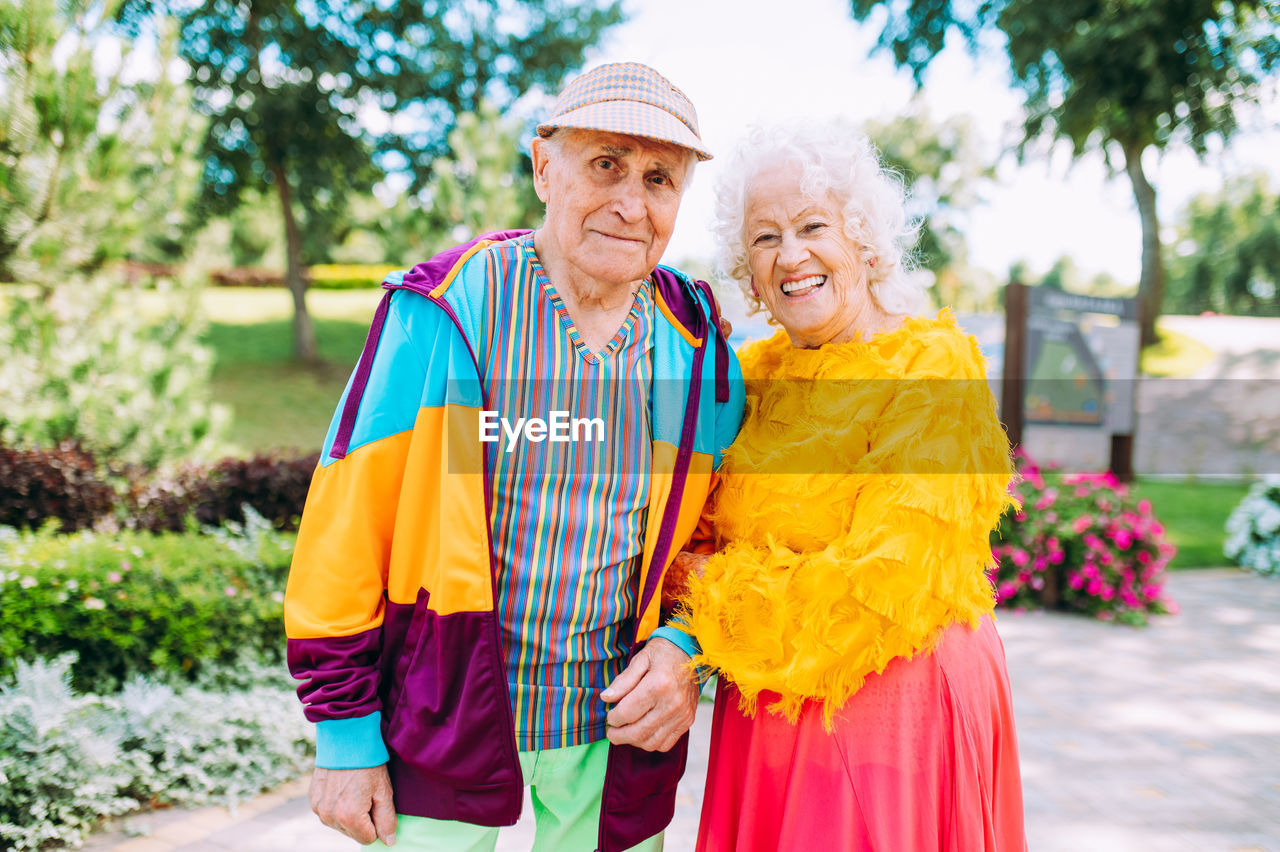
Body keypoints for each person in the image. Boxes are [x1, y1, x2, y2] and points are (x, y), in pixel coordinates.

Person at [284, 62, 745, 852]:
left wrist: (685, 645)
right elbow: (345, 523)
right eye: (605, 164)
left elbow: (717, 540)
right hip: (443, 717)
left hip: (616, 739)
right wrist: (343, 733)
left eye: (659, 178)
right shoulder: (442, 311)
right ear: (543, 167)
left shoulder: (699, 352)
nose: (630, 203)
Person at [666, 122, 1028, 851]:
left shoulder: (931, 368)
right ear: (750, 268)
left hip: (895, 716)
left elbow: (874, 592)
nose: (791, 255)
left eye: (812, 226)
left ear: (863, 241)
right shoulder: (753, 376)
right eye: (765, 238)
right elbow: (689, 528)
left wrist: (708, 589)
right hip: (766, 717)